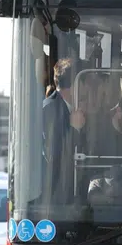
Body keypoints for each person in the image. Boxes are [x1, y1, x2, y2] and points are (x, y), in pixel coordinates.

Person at [42, 58, 79, 203]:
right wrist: (75, 128)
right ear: (75, 84)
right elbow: (55, 153)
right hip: (56, 193)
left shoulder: (66, 107)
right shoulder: (51, 108)